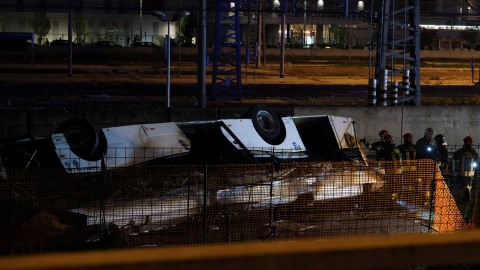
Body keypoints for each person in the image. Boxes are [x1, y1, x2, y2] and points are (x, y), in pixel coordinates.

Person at [453, 136, 479, 202]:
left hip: (463, 172)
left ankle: (467, 197)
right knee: (469, 185)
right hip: (471, 172)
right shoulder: (474, 152)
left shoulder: (461, 151)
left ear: (465, 142)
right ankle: (468, 196)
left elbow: (454, 157)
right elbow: (477, 162)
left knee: (465, 184)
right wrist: (476, 172)